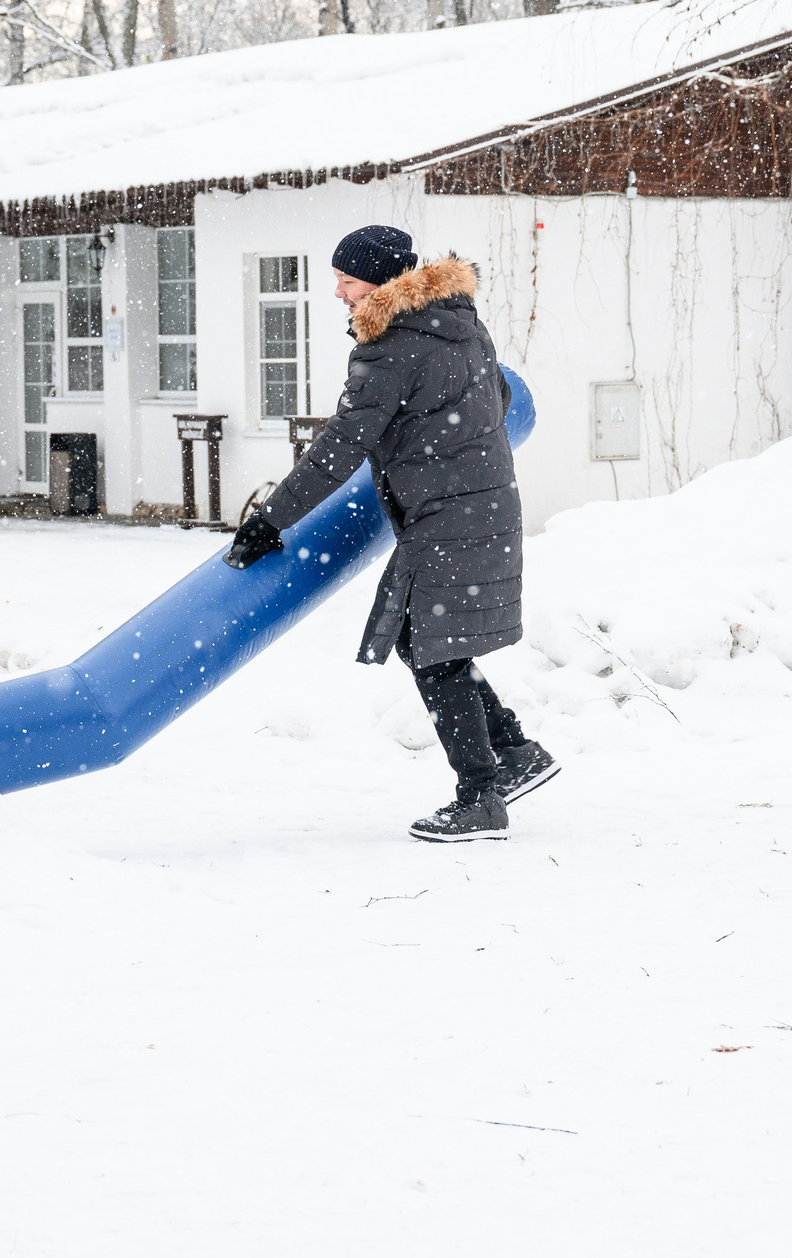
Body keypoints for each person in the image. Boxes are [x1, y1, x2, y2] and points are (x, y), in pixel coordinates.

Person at [223, 224, 554, 842]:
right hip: (482, 505)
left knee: (431, 647)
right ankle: (513, 751)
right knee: (425, 639)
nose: (339, 293)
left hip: (447, 514)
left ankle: (482, 796)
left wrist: (271, 519)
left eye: (347, 281)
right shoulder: (459, 323)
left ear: (378, 281)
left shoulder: (390, 344)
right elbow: (501, 397)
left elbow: (341, 444)